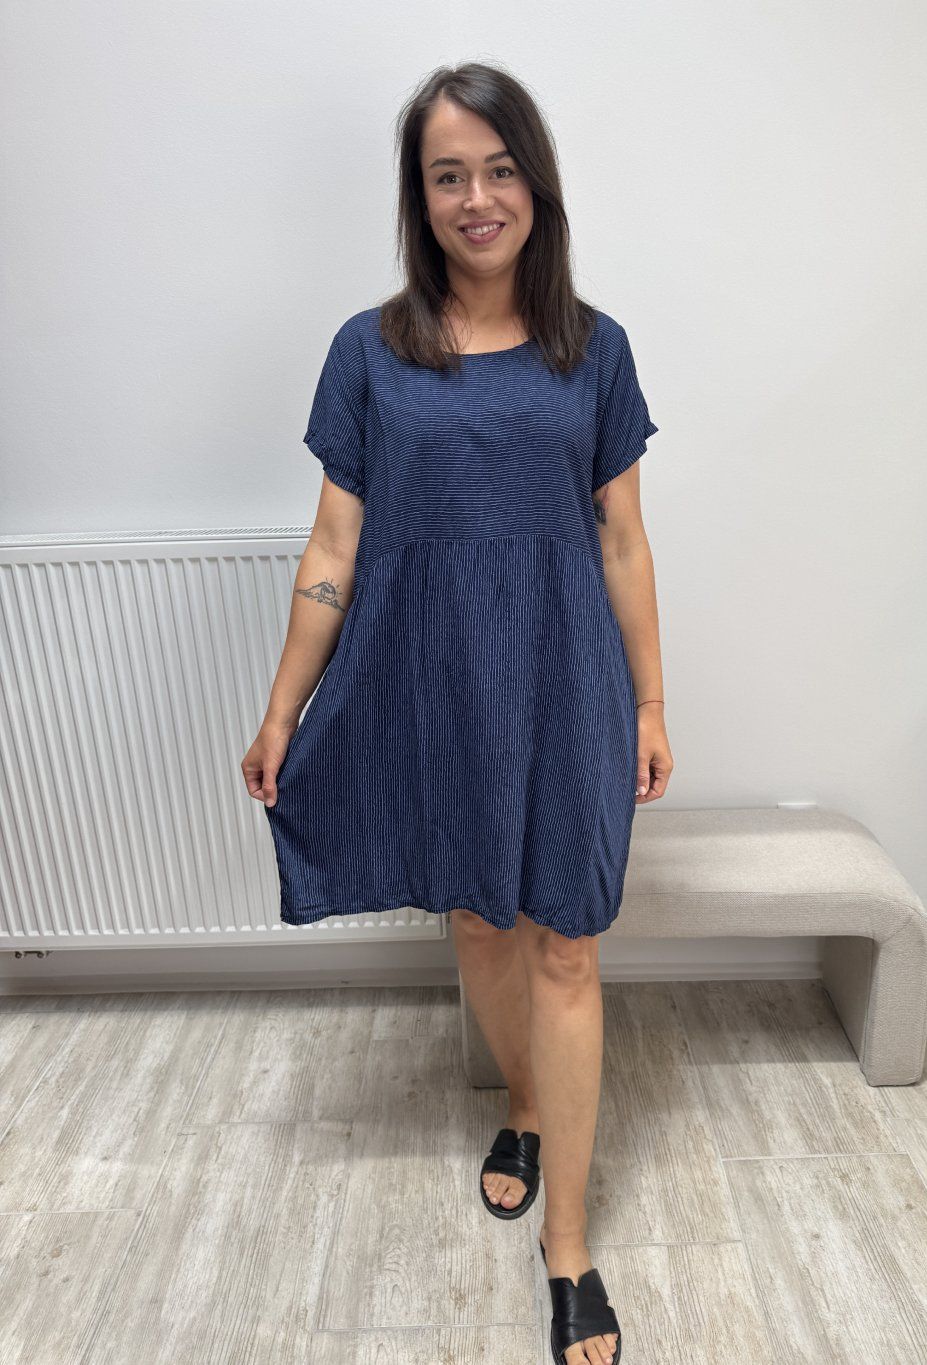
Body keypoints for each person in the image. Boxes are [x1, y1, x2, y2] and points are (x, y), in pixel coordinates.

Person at [242, 61, 673, 1365]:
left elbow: (622, 540)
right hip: (436, 680)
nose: (476, 198)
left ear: (535, 183)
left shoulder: (594, 349)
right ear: (418, 197)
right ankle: (527, 1108)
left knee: (567, 945)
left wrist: (653, 700)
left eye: (498, 169)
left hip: (566, 679)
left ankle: (569, 1247)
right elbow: (335, 543)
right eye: (448, 175)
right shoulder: (369, 352)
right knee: (481, 919)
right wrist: (283, 707)